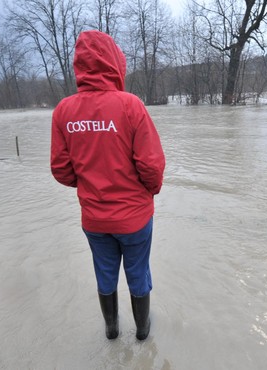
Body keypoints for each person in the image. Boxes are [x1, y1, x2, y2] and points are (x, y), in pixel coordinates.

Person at [50, 30, 165, 341]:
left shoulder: (63, 111)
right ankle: (142, 332)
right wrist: (147, 192)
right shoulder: (130, 105)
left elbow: (60, 170)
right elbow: (152, 166)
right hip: (134, 218)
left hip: (95, 219)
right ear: (115, 63)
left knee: (105, 275)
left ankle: (111, 331)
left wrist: (88, 181)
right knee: (138, 274)